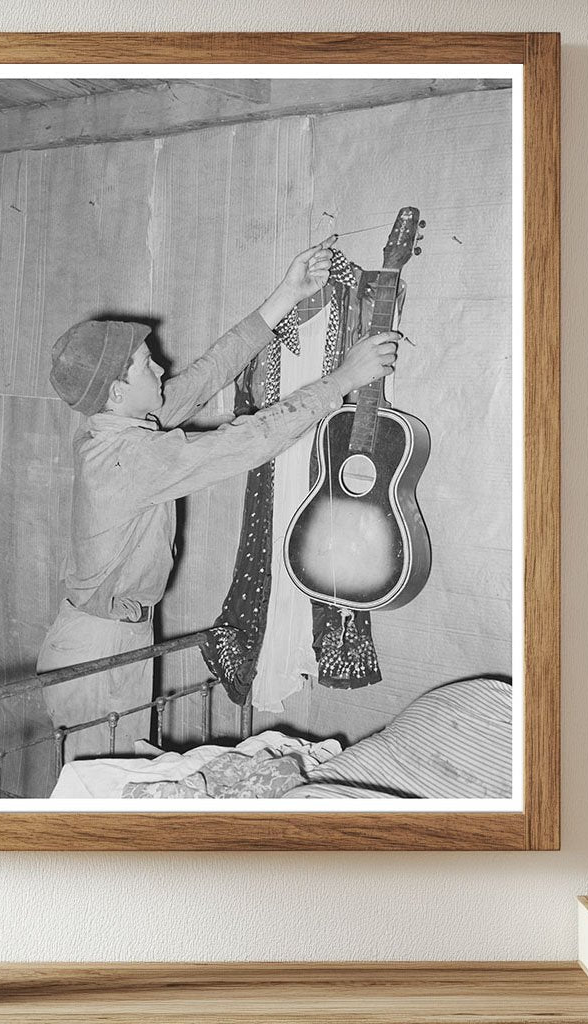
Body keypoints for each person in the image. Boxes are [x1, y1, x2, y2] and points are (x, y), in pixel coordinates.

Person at [38, 237, 399, 759]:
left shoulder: (125, 427)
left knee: (127, 779)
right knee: (97, 796)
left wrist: (284, 296)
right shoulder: (130, 458)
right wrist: (342, 379)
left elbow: (208, 373)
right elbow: (247, 441)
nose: (160, 368)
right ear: (118, 392)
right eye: (145, 364)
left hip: (118, 634)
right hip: (96, 643)